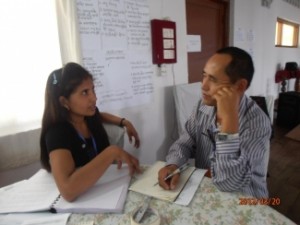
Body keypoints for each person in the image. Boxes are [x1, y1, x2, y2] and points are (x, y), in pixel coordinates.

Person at [158, 47, 272, 198]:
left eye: (213, 79)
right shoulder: (203, 106)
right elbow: (185, 141)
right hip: (207, 189)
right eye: (204, 75)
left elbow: (229, 183)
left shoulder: (257, 123)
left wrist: (229, 122)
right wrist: (173, 164)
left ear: (240, 86)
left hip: (246, 199)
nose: (203, 85)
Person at [40, 62, 141, 202]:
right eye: (85, 92)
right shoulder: (57, 133)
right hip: (82, 202)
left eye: (93, 89)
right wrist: (112, 152)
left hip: (103, 189)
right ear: (64, 102)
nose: (94, 98)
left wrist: (124, 122)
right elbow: (68, 191)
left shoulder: (89, 116)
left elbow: (101, 115)